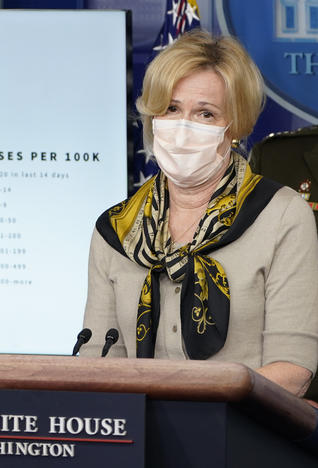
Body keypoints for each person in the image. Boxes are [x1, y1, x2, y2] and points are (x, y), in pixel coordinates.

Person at [81, 29, 318, 397]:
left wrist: (196, 411)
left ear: (234, 126)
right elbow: (95, 364)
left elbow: (292, 370)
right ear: (152, 118)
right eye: (171, 109)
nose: (183, 127)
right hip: (136, 443)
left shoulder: (282, 216)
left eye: (205, 113)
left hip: (243, 440)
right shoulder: (115, 230)